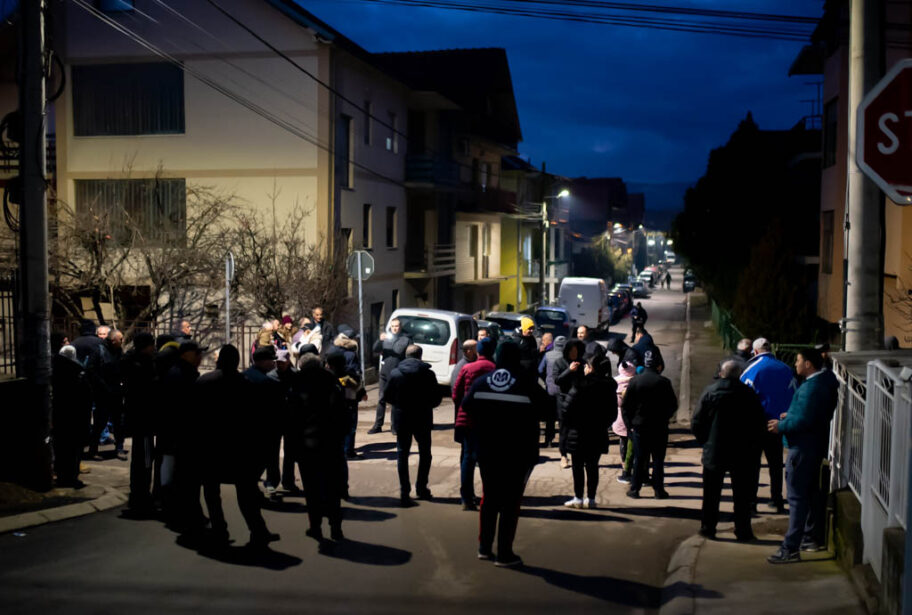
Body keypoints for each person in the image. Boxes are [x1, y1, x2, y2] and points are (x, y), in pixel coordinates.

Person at [462, 341, 546, 567]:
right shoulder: (527, 383)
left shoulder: (483, 382)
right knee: (510, 502)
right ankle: (504, 553)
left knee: (489, 499)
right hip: (518, 452)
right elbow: (548, 410)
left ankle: (484, 548)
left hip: (487, 450)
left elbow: (466, 405)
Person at [193, 345, 279, 548]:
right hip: (239, 447)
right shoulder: (245, 383)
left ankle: (219, 528)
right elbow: (253, 418)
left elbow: (194, 415)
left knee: (211, 491)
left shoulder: (204, 381)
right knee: (246, 492)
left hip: (210, 445)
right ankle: (258, 529)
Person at [766, 348, 839, 563]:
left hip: (802, 447)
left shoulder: (811, 388)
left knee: (797, 498)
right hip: (814, 445)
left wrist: (782, 425)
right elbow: (811, 413)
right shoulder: (826, 382)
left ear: (808, 364)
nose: (795, 365)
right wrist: (792, 414)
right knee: (809, 494)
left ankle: (790, 548)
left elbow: (804, 421)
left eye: (798, 361)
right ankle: (810, 538)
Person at [692, 360, 766, 540]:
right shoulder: (748, 394)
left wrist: (705, 442)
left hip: (715, 450)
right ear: (739, 374)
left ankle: (708, 528)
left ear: (722, 373)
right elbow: (758, 423)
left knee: (711, 494)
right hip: (742, 452)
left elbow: (697, 422)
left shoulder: (710, 391)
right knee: (742, 495)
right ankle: (743, 530)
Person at [290, 353, 349, 542]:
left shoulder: (296, 382)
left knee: (311, 489)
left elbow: (290, 417)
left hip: (306, 445)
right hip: (331, 443)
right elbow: (343, 412)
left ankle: (315, 526)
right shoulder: (331, 380)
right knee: (332, 487)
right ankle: (336, 527)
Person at [740, 337, 796, 513]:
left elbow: (744, 396)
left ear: (755, 352)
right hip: (778, 423)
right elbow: (793, 394)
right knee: (776, 464)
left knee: (752, 464)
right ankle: (777, 499)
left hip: (756, 424)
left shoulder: (751, 370)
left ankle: (751, 501)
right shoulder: (786, 369)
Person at [384, 344, 443, 505]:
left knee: (402, 454)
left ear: (406, 355)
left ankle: (404, 491)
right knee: (425, 453)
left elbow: (387, 396)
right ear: (420, 356)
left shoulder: (395, 373)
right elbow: (436, 398)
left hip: (402, 417)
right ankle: (421, 488)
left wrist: (399, 404)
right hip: (422, 417)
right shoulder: (428, 374)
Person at [161, 341, 205, 533]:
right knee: (186, 478)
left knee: (182, 477)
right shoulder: (182, 375)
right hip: (183, 436)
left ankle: (183, 513)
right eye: (197, 354)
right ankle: (187, 515)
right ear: (187, 354)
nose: (200, 357)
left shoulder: (178, 372)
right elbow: (186, 409)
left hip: (178, 435)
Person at [562, 354, 616, 509]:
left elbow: (566, 408)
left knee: (577, 466)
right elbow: (613, 414)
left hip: (578, 432)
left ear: (592, 368)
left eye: (587, 365)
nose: (585, 367)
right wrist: (601, 424)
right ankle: (591, 499)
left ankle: (578, 498)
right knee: (592, 466)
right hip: (597, 432)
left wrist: (572, 423)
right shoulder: (608, 387)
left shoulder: (580, 384)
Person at [622, 350, 678, 499]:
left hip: (639, 426)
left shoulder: (635, 381)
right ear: (658, 366)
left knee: (639, 459)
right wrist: (665, 417)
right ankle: (659, 490)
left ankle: (635, 489)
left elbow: (626, 406)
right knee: (658, 460)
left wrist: (630, 425)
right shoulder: (664, 382)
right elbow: (673, 405)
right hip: (659, 426)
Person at [453, 337, 496, 510]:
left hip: (467, 418)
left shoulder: (467, 368)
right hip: (487, 420)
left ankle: (466, 497)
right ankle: (489, 497)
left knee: (467, 458)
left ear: (478, 352)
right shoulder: (495, 369)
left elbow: (456, 395)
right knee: (487, 459)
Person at [122, 333, 159, 515]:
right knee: (144, 459)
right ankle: (141, 496)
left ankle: (138, 493)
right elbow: (149, 390)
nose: (154, 348)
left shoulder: (130, 361)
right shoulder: (142, 365)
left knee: (140, 458)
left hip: (136, 417)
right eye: (152, 345)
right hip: (143, 419)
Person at [244, 345, 283, 495]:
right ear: (262, 361)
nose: (274, 363)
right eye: (271, 360)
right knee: (264, 459)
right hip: (264, 428)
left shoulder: (245, 375)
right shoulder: (266, 383)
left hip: (249, 427)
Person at [52, 345, 93, 487]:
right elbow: (85, 396)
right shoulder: (77, 372)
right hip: (76, 417)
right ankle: (71, 477)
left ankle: (62, 474)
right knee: (73, 450)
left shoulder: (53, 370)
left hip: (60, 417)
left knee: (61, 448)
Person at [87, 328, 126, 460]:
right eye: (120, 339)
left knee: (118, 423)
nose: (122, 341)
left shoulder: (118, 351)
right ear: (113, 340)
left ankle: (119, 447)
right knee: (100, 423)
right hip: (102, 394)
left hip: (116, 393)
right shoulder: (99, 350)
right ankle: (93, 450)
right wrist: (103, 386)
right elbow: (91, 370)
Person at [371, 318, 411, 434]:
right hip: (384, 372)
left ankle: (395, 426)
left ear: (400, 327)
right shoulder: (386, 338)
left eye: (397, 326)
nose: (394, 328)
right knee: (381, 399)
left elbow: (408, 355)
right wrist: (379, 340)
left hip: (397, 374)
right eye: (393, 326)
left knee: (395, 401)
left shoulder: (406, 340)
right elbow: (375, 349)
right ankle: (378, 425)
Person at [554, 338, 587, 469]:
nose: (574, 353)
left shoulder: (582, 362)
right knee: (564, 429)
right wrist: (569, 370)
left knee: (579, 429)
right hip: (563, 400)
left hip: (579, 401)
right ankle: (563, 455)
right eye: (572, 351)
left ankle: (578, 454)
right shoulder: (559, 362)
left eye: (576, 351)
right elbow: (557, 380)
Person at [538, 335, 567, 448]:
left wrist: (547, 378)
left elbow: (540, 370)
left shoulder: (548, 355)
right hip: (564, 391)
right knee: (562, 418)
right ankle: (562, 442)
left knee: (550, 417)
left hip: (550, 389)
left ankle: (548, 440)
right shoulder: (567, 357)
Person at [612, 360, 637, 484]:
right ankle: (633, 468)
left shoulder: (615, 382)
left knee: (623, 442)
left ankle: (625, 467)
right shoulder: (636, 382)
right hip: (633, 418)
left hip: (620, 417)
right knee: (633, 445)